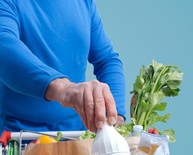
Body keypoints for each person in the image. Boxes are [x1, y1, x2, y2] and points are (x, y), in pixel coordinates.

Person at [0, 0, 126, 133]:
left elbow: (106, 60)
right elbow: (4, 46)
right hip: (17, 139)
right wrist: (63, 88)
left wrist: (114, 113)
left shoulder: (85, 3)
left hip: (77, 137)